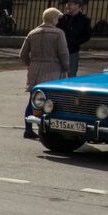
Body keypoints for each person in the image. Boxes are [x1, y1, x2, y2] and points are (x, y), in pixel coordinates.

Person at [19, 7, 69, 138]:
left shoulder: (32, 33)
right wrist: (66, 67)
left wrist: (31, 64)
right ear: (53, 19)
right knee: (50, 101)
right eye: (57, 18)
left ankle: (28, 129)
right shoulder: (58, 34)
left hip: (35, 69)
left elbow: (23, 54)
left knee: (33, 100)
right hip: (52, 69)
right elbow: (63, 53)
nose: (58, 21)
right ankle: (46, 129)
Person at [57, 0, 92, 77]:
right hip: (60, 50)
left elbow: (87, 35)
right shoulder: (62, 18)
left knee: (71, 73)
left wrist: (75, 42)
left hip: (73, 51)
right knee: (58, 73)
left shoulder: (84, 20)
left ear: (77, 5)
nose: (67, 6)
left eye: (70, 4)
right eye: (67, 4)